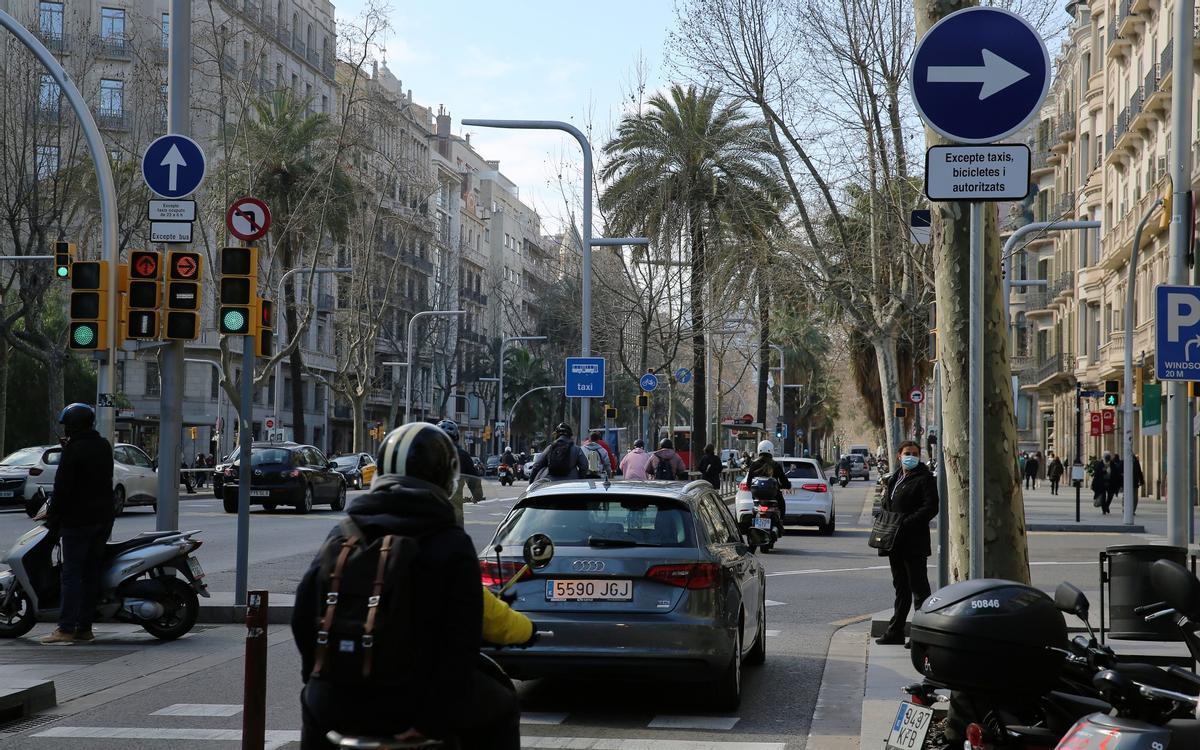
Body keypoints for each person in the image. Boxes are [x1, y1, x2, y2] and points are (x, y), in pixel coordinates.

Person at [292, 422, 526, 749]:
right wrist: (431, 718)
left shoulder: (344, 533)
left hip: (338, 700)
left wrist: (319, 676)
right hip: (414, 706)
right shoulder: (450, 542)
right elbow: (461, 642)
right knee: (503, 706)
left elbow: (303, 613)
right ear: (444, 476)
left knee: (311, 704)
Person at [41, 403, 115, 645]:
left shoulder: (73, 450)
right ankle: (85, 627)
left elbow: (63, 489)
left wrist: (52, 520)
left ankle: (65, 628)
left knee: (71, 574)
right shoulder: (103, 446)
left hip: (78, 521)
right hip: (102, 519)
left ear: (72, 425)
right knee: (90, 574)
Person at [875, 441, 938, 647]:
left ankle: (921, 634)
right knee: (901, 587)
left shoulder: (925, 478)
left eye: (915, 453)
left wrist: (905, 523)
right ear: (898, 456)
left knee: (919, 588)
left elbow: (930, 508)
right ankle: (895, 631)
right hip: (895, 542)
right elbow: (888, 504)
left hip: (914, 542)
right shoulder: (895, 478)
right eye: (907, 453)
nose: (911, 457)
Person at [437, 419, 482, 524]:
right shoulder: (463, 456)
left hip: (430, 509)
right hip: (454, 511)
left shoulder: (428, 453)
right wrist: (477, 495)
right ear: (456, 438)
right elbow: (474, 482)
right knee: (458, 538)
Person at [744, 440, 791, 520]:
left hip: (757, 498)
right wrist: (786, 485)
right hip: (774, 497)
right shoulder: (775, 465)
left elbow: (748, 484)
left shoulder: (754, 464)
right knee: (781, 504)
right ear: (771, 450)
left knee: (755, 509)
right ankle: (781, 521)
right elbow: (784, 481)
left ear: (759, 450)